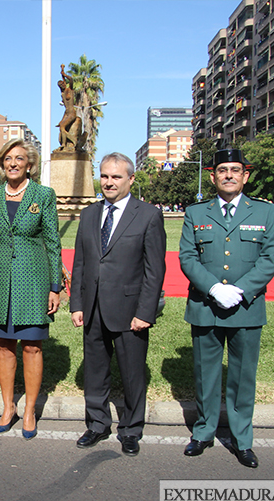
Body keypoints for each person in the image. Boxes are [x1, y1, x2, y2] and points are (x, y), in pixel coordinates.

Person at [179, 149, 274, 468]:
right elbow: (187, 257)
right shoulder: (196, 213)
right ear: (212, 176)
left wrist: (240, 290)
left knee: (242, 377)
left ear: (245, 175)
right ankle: (204, 432)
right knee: (205, 374)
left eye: (235, 170)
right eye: (222, 170)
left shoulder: (264, 213)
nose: (228, 175)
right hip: (205, 306)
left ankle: (242, 439)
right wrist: (213, 288)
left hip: (246, 307)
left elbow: (271, 257)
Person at [70, 152, 166, 456]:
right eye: (105, 176)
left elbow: (155, 270)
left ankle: (131, 430)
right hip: (94, 308)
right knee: (95, 371)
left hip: (130, 311)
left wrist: (145, 312)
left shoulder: (149, 215)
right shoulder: (89, 214)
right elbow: (81, 263)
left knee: (133, 373)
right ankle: (97, 424)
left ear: (130, 179)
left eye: (116, 177)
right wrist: (76, 304)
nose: (109, 182)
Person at [0, 139, 62, 440]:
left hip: (34, 279)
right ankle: (7, 407)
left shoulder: (44, 195)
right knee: (3, 345)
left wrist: (56, 287)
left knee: (32, 346)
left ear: (30, 164)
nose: (13, 163)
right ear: (2, 163)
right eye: (8, 159)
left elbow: (53, 242)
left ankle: (29, 410)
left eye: (20, 158)